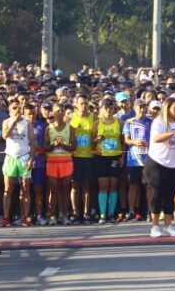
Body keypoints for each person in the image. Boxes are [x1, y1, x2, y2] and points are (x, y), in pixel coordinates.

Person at [145, 97, 175, 238]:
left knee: (170, 195)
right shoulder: (159, 122)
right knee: (158, 194)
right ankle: (155, 227)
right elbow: (156, 138)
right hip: (158, 163)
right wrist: (174, 133)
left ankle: (168, 226)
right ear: (167, 108)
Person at [1, 99, 35, 227]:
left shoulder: (28, 124)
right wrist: (14, 123)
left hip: (24, 157)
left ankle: (25, 217)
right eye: (14, 108)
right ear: (9, 110)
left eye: (18, 108)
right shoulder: (6, 121)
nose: (17, 110)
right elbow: (4, 136)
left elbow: (32, 142)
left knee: (25, 188)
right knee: (8, 189)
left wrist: (31, 159)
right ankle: (5, 217)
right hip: (10, 157)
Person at [91, 98, 124, 224]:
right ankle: (103, 214)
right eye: (106, 108)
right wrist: (97, 139)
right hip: (101, 157)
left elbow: (123, 139)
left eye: (111, 108)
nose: (109, 111)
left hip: (115, 156)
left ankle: (111, 214)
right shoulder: (96, 123)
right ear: (101, 109)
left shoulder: (119, 122)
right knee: (103, 185)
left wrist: (123, 156)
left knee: (114, 185)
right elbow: (91, 142)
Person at [45, 103, 76, 225]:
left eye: (62, 111)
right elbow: (45, 147)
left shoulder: (70, 128)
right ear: (53, 112)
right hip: (52, 161)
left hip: (66, 161)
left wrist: (63, 145)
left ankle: (64, 215)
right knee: (54, 190)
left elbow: (74, 146)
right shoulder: (49, 128)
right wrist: (53, 146)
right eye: (57, 111)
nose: (60, 113)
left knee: (64, 189)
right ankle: (53, 215)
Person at [123, 99, 152, 221]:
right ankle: (131, 211)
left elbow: (156, 139)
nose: (143, 109)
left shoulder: (151, 121)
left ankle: (151, 211)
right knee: (133, 185)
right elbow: (126, 140)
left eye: (145, 107)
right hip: (133, 159)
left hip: (148, 158)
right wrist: (135, 142)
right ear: (135, 108)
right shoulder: (128, 122)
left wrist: (148, 144)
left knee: (149, 186)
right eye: (140, 107)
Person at [70, 94, 96, 224]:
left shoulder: (93, 117)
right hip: (74, 156)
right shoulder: (71, 118)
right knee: (75, 186)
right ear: (76, 105)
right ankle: (75, 213)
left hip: (88, 156)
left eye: (86, 103)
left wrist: (96, 140)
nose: (84, 106)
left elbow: (95, 137)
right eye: (81, 103)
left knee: (86, 186)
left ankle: (86, 213)